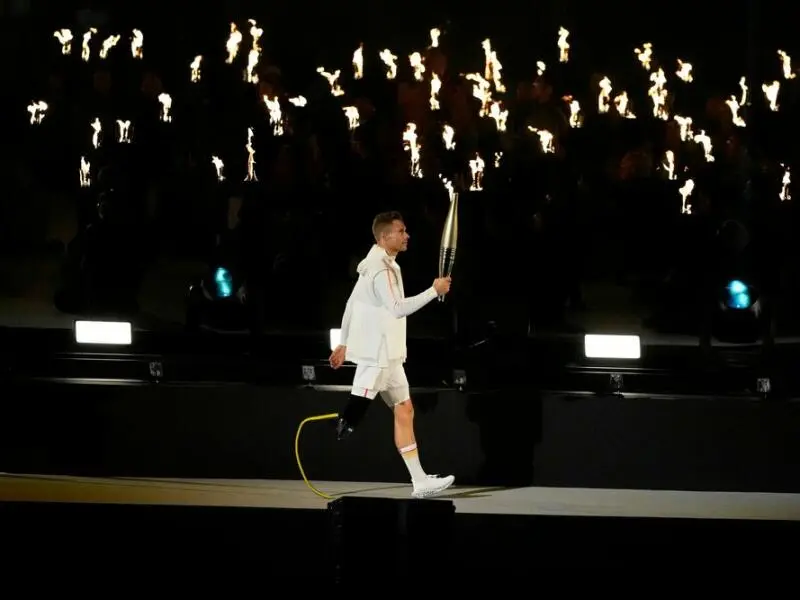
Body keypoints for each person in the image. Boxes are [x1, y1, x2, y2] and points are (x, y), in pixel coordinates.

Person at [329, 211, 454, 498]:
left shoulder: (380, 263)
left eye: (405, 230)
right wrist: (433, 291)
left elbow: (352, 303)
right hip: (377, 353)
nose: (406, 235)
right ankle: (342, 422)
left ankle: (420, 481)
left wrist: (343, 343)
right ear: (385, 237)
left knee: (405, 410)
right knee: (352, 415)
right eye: (401, 231)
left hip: (391, 354)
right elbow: (398, 308)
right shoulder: (380, 268)